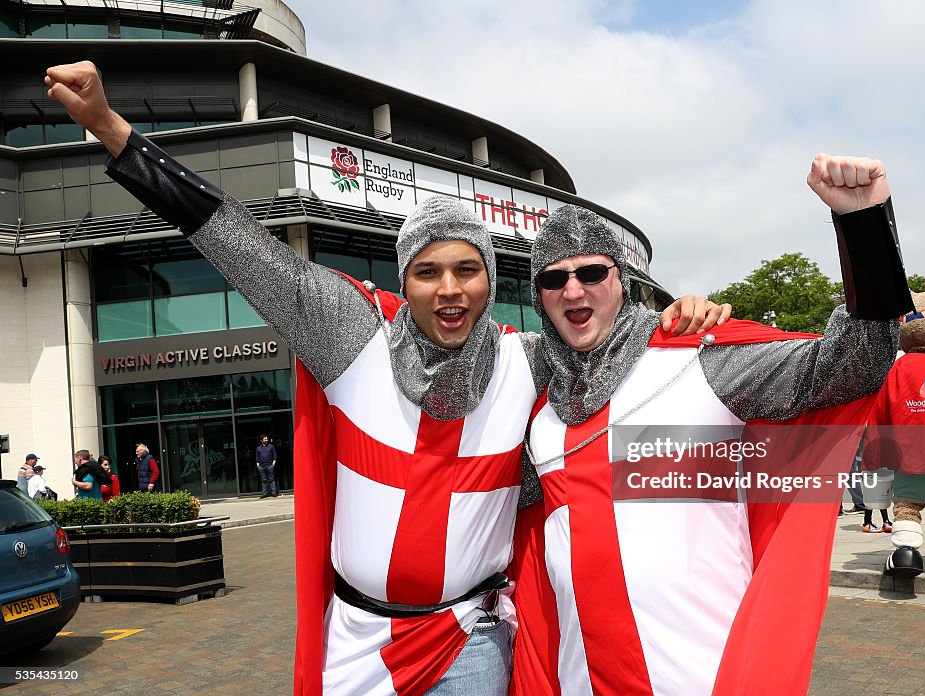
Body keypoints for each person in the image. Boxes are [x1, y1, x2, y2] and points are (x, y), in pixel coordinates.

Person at [43, 60, 729, 696]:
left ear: (491, 278)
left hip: (471, 642)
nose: (449, 289)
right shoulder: (348, 333)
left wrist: (673, 320)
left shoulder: (529, 359)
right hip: (357, 646)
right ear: (403, 279)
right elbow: (231, 238)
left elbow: (605, 346)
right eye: (428, 272)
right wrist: (109, 126)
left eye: (468, 269)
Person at [510, 155, 914, 696]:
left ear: (623, 281)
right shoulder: (540, 414)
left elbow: (853, 365)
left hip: (706, 674)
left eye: (591, 272)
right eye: (554, 279)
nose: (575, 291)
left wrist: (863, 225)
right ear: (538, 296)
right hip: (582, 679)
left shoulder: (700, 362)